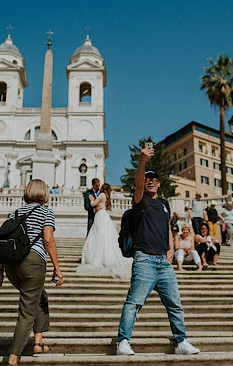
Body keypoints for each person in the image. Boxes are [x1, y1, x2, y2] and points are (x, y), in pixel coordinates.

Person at [115, 146, 200, 356]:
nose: (150, 181)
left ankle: (181, 341)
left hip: (164, 262)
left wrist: (171, 247)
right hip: (144, 259)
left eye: (154, 179)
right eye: (147, 179)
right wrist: (142, 162)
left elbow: (168, 230)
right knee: (134, 303)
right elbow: (137, 183)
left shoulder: (164, 204)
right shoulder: (140, 201)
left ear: (159, 183)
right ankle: (123, 341)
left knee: (175, 304)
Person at [0, 179, 63, 366]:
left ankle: (38, 342)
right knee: (27, 310)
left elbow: (4, 241)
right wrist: (57, 268)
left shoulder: (14, 213)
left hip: (11, 266)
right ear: (45, 193)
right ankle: (13, 358)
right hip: (32, 262)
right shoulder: (46, 212)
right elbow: (48, 240)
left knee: (40, 297)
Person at [78, 183, 133, 278]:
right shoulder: (107, 196)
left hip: (100, 216)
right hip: (103, 215)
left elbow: (93, 204)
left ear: (103, 188)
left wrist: (91, 199)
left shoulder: (102, 195)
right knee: (103, 235)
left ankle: (98, 258)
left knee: (98, 235)